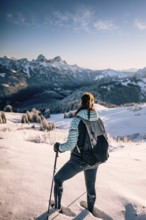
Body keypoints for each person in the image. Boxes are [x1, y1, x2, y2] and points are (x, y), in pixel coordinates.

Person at [53, 92, 104, 214]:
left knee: (58, 179)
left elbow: (70, 144)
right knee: (90, 188)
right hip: (95, 159)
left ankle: (56, 209)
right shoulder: (98, 119)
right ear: (92, 103)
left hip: (79, 160)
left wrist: (59, 147)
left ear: (81, 103)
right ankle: (90, 211)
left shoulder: (77, 120)